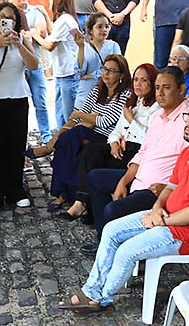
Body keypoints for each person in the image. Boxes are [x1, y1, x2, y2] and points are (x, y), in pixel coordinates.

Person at [59, 91, 189, 310]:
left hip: (187, 233)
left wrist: (161, 220)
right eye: (188, 117)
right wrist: (157, 208)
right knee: (111, 230)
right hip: (166, 217)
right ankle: (91, 290)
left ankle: (101, 298)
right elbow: (170, 187)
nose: (188, 124)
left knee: (126, 251)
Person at [84, 66, 189, 252]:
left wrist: (168, 187)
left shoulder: (188, 121)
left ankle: (112, 246)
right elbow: (143, 152)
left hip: (157, 190)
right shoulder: (158, 116)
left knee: (112, 209)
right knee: (95, 177)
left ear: (181, 89)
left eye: (166, 88)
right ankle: (105, 241)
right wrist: (123, 181)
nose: (160, 93)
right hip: (139, 178)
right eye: (157, 88)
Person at [66, 63, 159, 220]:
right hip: (122, 147)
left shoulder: (156, 108)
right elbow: (116, 130)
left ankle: (88, 208)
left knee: (94, 163)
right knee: (91, 151)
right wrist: (114, 143)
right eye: (136, 79)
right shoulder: (133, 103)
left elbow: (147, 138)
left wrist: (131, 120)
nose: (138, 84)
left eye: (144, 80)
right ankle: (81, 202)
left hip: (137, 153)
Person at [48, 54, 132, 208]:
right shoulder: (97, 90)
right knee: (67, 144)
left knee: (75, 134)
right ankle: (64, 195)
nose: (105, 73)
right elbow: (79, 116)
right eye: (104, 69)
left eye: (111, 71)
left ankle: (62, 193)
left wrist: (82, 115)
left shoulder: (125, 94)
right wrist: (60, 133)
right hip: (88, 132)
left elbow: (105, 121)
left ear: (121, 75)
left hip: (107, 138)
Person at [0, 2, 38, 209]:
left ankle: (15, 189)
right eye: (2, 17)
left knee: (16, 146)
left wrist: (19, 44)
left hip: (17, 98)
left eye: (11, 18)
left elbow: (34, 65)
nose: (5, 21)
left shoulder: (21, 39)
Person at [31, 0, 80, 131]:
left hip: (68, 74)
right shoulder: (64, 20)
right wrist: (46, 15)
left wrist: (35, 35)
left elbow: (50, 45)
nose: (49, 1)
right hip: (63, 73)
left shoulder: (64, 21)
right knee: (60, 115)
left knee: (68, 117)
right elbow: (54, 32)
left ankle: (69, 142)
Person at [10, 0, 52, 142]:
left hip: (35, 64)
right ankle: (19, 137)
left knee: (40, 102)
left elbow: (41, 33)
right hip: (14, 66)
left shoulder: (35, 11)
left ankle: (46, 136)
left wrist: (30, 33)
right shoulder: (7, 13)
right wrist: (28, 33)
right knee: (18, 106)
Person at [74, 12, 121, 108]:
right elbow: (80, 73)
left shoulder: (113, 46)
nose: (104, 30)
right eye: (100, 27)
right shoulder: (83, 47)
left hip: (107, 96)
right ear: (91, 30)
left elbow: (117, 70)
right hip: (85, 96)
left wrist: (92, 75)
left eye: (107, 27)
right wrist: (81, 48)